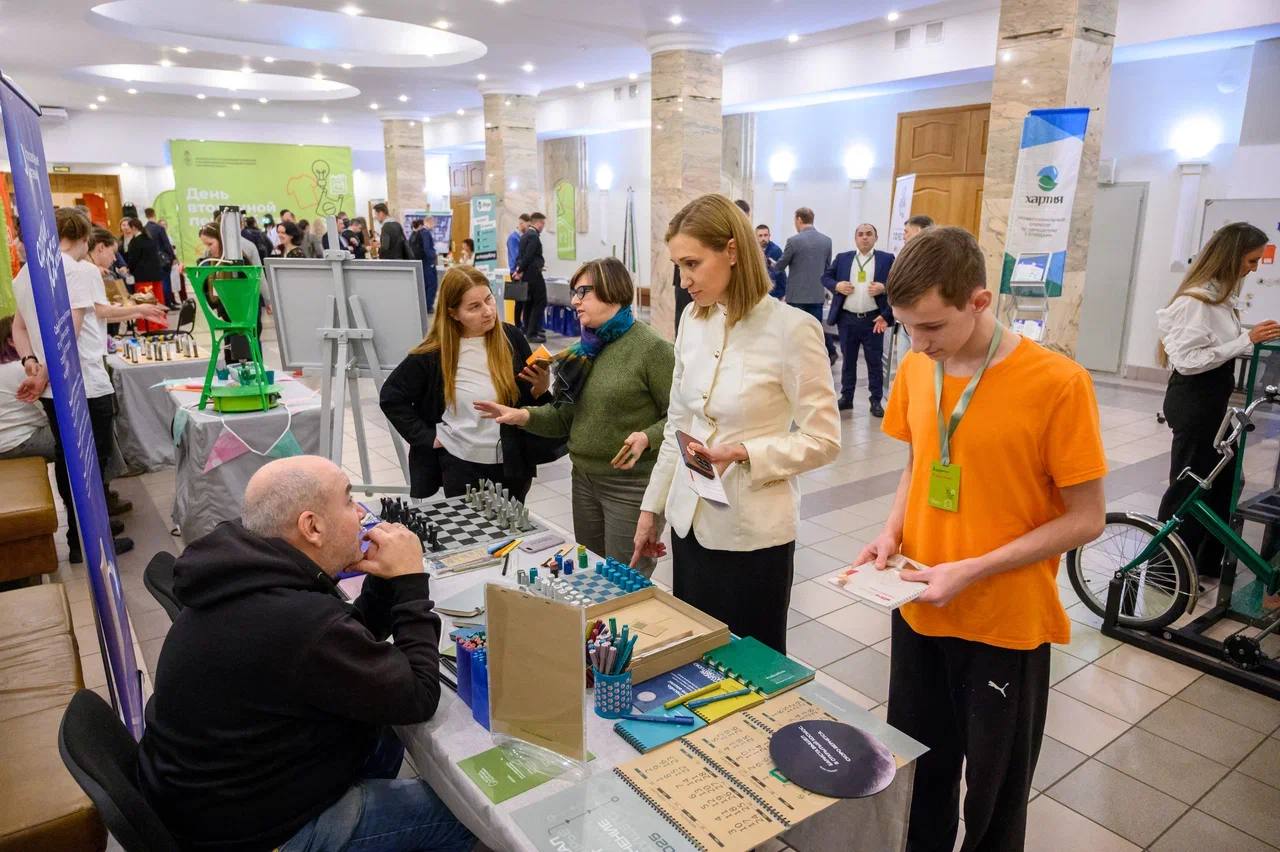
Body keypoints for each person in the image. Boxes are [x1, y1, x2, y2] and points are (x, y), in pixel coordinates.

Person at [857, 226, 1106, 852]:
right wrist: (891, 531)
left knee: (994, 801)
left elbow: (1087, 518)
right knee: (920, 779)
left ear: (979, 301)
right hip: (919, 608)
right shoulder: (917, 368)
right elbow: (917, 464)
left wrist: (972, 568)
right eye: (907, 327)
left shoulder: (1057, 383)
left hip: (1003, 624)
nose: (919, 343)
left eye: (932, 326)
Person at [137, 455, 476, 852]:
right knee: (464, 815)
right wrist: (411, 582)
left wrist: (385, 583)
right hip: (256, 833)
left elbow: (339, 646)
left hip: (213, 796)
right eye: (349, 501)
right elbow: (417, 697)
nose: (362, 514)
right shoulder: (298, 620)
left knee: (381, 733)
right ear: (312, 527)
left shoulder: (246, 571)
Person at [632, 195, 840, 652]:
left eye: (692, 264)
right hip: (690, 523)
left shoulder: (792, 329)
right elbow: (678, 423)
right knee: (696, 658)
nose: (683, 280)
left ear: (731, 251)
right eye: (677, 266)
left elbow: (824, 440)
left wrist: (746, 452)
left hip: (752, 535)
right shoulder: (693, 319)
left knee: (749, 666)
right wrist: (653, 509)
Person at [476, 258, 674, 576]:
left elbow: (680, 420)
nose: (574, 301)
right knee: (591, 572)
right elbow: (564, 417)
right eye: (574, 293)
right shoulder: (583, 351)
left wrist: (646, 437)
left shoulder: (652, 350)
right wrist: (521, 416)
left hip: (631, 487)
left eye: (583, 292)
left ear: (613, 290)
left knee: (625, 580)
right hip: (583, 480)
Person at [10, 208, 137, 560]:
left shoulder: (26, 273)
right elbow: (70, 332)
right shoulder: (75, 270)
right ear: (83, 238)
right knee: (93, 462)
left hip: (52, 387)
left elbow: (19, 328)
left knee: (68, 459)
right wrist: (44, 374)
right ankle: (91, 540)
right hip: (84, 382)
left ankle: (80, 536)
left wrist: (32, 364)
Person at [1156, 222, 1275, 580]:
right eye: (1251, 260)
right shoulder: (1196, 301)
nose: (1253, 269)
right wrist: (1246, 340)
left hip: (1211, 402)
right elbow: (1188, 361)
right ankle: (1165, 570)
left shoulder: (1220, 299)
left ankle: (1205, 563)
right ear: (1232, 257)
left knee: (1225, 483)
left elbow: (1215, 345)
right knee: (1189, 487)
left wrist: (1251, 337)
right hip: (1194, 402)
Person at [380, 266, 553, 501]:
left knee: (512, 522)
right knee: (469, 524)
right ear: (453, 313)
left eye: (489, 299)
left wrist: (540, 388)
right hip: (461, 465)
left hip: (511, 462)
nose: (488, 311)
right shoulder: (434, 354)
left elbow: (526, 401)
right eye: (474, 307)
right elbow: (392, 397)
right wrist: (428, 437)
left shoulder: (511, 338)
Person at [824, 223, 896, 417]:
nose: (865, 237)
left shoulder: (886, 259)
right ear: (855, 238)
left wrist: (884, 288)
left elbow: (898, 284)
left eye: (869, 234)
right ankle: (846, 397)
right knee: (848, 361)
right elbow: (826, 277)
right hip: (847, 319)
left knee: (874, 362)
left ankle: (876, 401)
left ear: (875, 238)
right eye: (861, 234)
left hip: (874, 320)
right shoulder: (843, 258)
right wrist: (837, 285)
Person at [773, 207, 836, 360]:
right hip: (817, 296)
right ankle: (814, 362)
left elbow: (780, 266)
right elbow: (827, 268)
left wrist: (770, 264)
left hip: (796, 298)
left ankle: (796, 363)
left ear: (799, 219)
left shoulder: (793, 241)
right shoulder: (826, 241)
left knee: (795, 335)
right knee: (814, 335)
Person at [87, 228, 170, 333]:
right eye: (113, 252)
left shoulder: (91, 270)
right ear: (101, 247)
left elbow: (99, 316)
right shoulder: (90, 271)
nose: (114, 259)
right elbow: (101, 312)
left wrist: (140, 313)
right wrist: (139, 310)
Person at [0, 314, 55, 462]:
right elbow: (49, 413)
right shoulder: (23, 370)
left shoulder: (6, 367)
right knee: (87, 429)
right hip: (20, 443)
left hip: (6, 444)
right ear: (12, 341)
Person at [119, 216, 169, 331]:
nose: (127, 229)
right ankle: (160, 324)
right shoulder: (149, 239)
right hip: (156, 276)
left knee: (145, 302)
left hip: (143, 278)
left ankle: (149, 325)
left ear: (134, 228)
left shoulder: (135, 242)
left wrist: (129, 269)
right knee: (158, 300)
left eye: (129, 227)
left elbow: (133, 260)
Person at [515, 212, 548, 343]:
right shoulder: (533, 236)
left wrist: (520, 269)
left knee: (528, 303)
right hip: (534, 275)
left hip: (527, 275)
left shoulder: (524, 235)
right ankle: (532, 332)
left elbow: (521, 257)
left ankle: (528, 329)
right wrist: (520, 270)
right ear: (538, 223)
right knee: (540, 301)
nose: (543, 226)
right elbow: (529, 256)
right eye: (543, 223)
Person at [144, 207, 179, 308]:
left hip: (151, 261)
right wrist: (173, 257)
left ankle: (160, 302)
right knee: (166, 281)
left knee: (156, 284)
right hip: (163, 260)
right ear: (154, 214)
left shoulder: (145, 229)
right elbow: (166, 244)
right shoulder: (159, 228)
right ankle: (168, 303)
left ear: (146, 216)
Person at [415, 216, 439, 311]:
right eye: (434, 223)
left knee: (427, 284)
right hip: (428, 262)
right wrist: (433, 256)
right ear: (430, 222)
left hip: (424, 262)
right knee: (432, 284)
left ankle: (426, 305)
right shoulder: (425, 233)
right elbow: (427, 248)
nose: (434, 225)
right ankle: (428, 306)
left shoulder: (420, 232)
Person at [756, 224, 786, 300]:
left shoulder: (776, 250)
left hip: (775, 293)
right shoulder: (753, 250)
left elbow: (778, 274)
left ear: (769, 236)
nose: (763, 238)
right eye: (760, 236)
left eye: (765, 235)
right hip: (760, 292)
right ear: (756, 237)